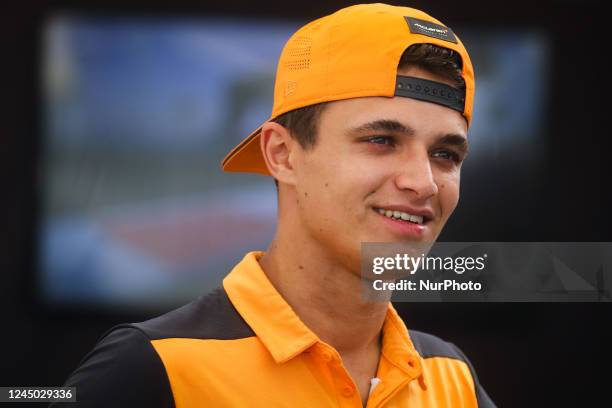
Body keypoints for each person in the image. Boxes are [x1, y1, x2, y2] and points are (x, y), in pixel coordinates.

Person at [54, 3, 495, 407]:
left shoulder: (451, 378)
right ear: (282, 155)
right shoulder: (153, 366)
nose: (423, 183)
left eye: (446, 155)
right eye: (381, 140)